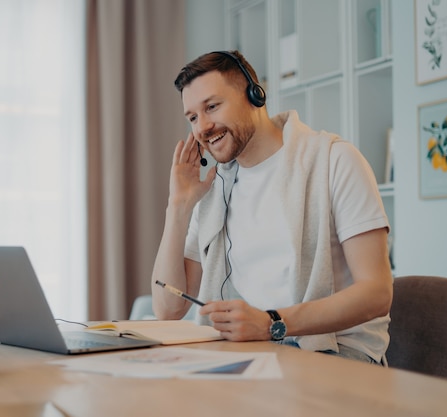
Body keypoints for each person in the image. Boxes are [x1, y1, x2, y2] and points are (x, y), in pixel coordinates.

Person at [151, 50, 393, 364]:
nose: (203, 128)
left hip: (334, 354)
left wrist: (271, 323)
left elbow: (377, 292)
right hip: (249, 355)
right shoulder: (214, 189)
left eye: (212, 106)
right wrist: (178, 205)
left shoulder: (334, 160)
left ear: (255, 95)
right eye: (193, 117)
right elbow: (167, 308)